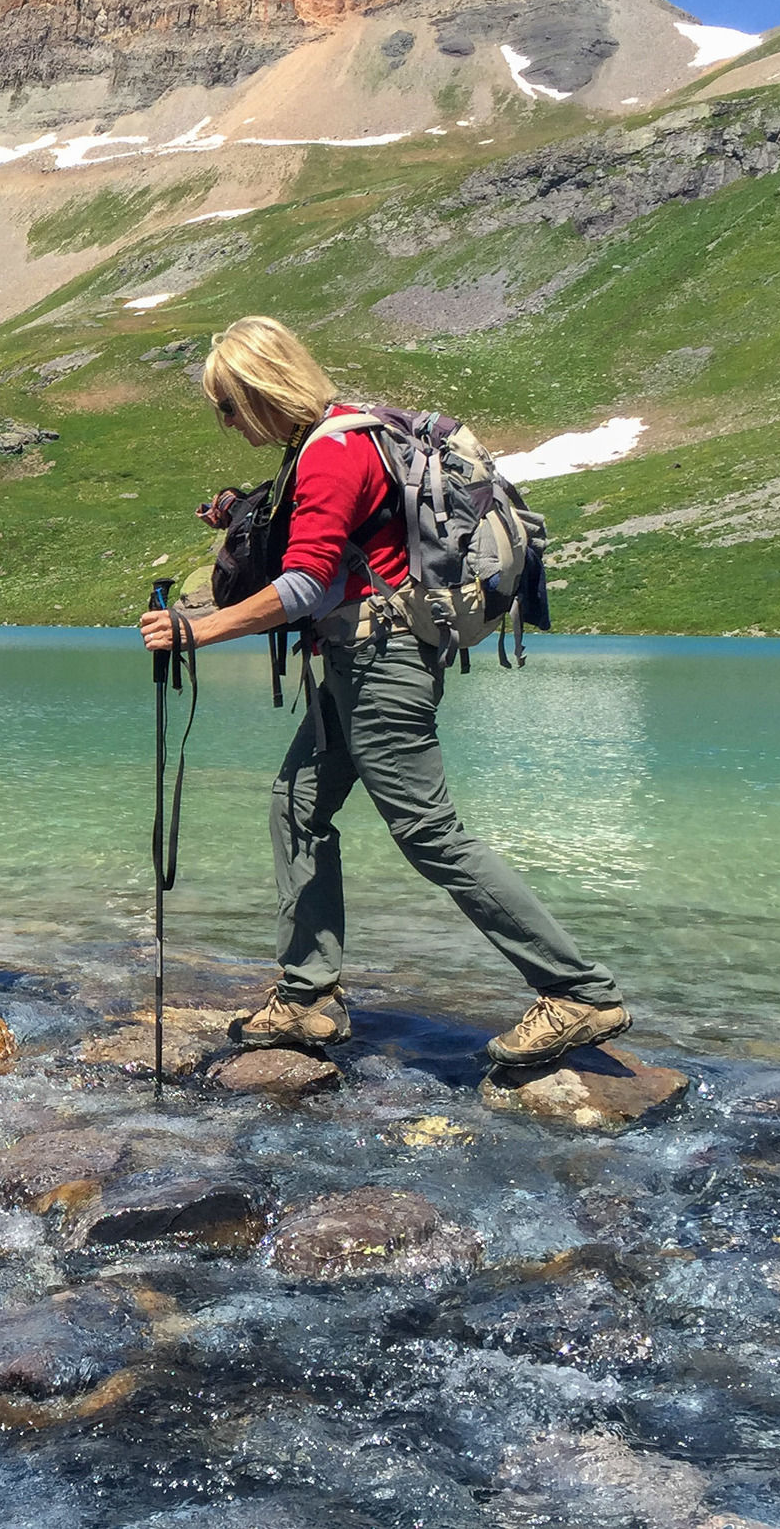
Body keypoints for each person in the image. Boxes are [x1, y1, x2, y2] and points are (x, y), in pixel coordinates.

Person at [138, 316, 633, 1066]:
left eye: (229, 405)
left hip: (382, 663)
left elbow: (306, 584)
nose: (226, 422)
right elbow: (337, 568)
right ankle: (308, 997)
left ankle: (578, 990)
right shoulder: (335, 438)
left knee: (430, 834)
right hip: (356, 658)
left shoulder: (333, 452)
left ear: (263, 390)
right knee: (296, 806)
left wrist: (196, 632)